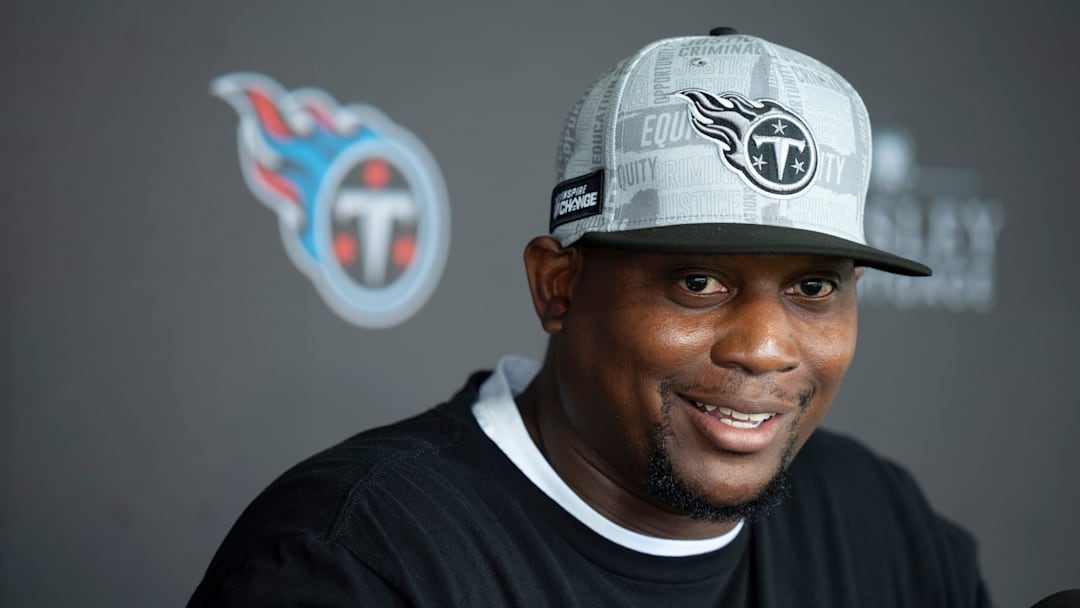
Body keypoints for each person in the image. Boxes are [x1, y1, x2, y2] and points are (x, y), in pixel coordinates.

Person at [189, 28, 991, 607]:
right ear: (557, 287)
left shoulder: (879, 519)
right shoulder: (357, 561)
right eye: (700, 280)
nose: (765, 347)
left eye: (814, 289)